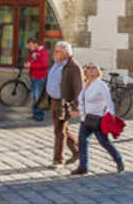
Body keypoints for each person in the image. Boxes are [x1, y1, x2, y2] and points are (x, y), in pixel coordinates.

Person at [70, 62, 123, 176]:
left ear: (98, 71)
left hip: (98, 119)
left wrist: (111, 117)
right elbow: (82, 101)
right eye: (88, 67)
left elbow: (109, 102)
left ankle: (119, 160)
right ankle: (83, 167)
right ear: (86, 71)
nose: (90, 69)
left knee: (104, 142)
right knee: (82, 142)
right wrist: (78, 112)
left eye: (94, 67)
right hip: (86, 119)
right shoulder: (85, 84)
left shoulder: (101, 85)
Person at [44, 40, 80, 168]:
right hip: (54, 100)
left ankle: (58, 160)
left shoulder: (73, 67)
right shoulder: (56, 63)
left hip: (64, 103)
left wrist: (76, 107)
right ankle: (78, 151)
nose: (53, 53)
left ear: (65, 53)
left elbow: (78, 88)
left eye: (57, 51)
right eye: (54, 50)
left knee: (59, 131)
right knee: (63, 129)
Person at [26, 36, 49, 122]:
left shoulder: (43, 51)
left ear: (35, 44)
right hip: (33, 76)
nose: (29, 47)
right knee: (33, 96)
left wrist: (31, 65)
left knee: (38, 96)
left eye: (30, 45)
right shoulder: (33, 52)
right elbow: (31, 60)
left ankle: (39, 115)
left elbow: (44, 65)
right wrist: (28, 63)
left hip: (40, 77)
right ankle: (34, 113)